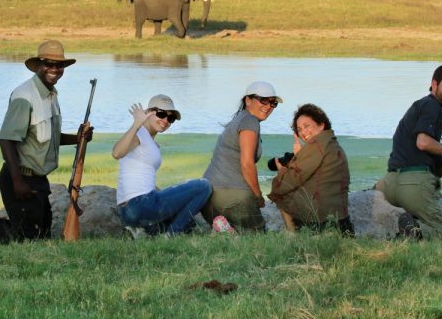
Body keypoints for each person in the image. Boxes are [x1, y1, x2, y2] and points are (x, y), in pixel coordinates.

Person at [0, 39, 93, 242]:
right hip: (21, 177)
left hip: (39, 179)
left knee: (40, 235)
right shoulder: (25, 96)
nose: (54, 69)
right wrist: (17, 181)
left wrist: (78, 138)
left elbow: (47, 138)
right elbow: (6, 139)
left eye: (59, 65)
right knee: (26, 238)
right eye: (48, 64)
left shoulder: (50, 95)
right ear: (38, 65)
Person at [379, 64, 442, 239]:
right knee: (441, 236)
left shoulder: (421, 108)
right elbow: (423, 143)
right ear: (434, 84)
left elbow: (436, 171)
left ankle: (404, 228)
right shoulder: (431, 105)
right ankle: (416, 227)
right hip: (413, 186)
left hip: (390, 183)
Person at [113, 94, 212, 238]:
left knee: (189, 223)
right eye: (161, 114)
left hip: (129, 211)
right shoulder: (139, 133)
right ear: (148, 113)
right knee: (204, 186)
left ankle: (144, 231)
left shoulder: (149, 140)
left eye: (170, 118)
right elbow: (116, 153)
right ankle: (171, 235)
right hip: (140, 204)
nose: (165, 120)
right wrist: (136, 125)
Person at [201, 81, 282, 232]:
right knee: (259, 234)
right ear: (248, 100)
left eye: (273, 102)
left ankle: (227, 228)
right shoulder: (250, 121)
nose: (269, 106)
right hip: (232, 196)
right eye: (263, 100)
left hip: (208, 199)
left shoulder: (239, 119)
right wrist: (258, 196)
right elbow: (247, 164)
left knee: (235, 232)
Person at [267, 104, 354, 235]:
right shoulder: (331, 143)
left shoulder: (317, 145)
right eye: (299, 129)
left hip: (321, 223)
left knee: (280, 193)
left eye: (307, 126)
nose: (303, 132)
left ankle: (293, 236)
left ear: (321, 124)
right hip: (342, 220)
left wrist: (282, 170)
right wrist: (299, 156)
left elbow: (289, 182)